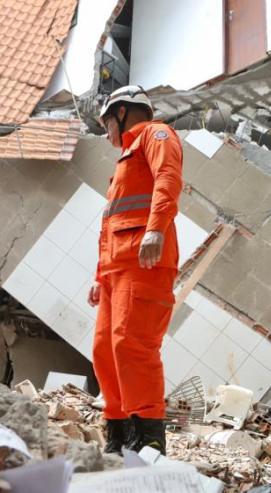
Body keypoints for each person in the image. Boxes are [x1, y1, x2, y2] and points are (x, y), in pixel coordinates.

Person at [87, 85, 183, 455]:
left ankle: (148, 440)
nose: (106, 132)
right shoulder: (126, 157)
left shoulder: (156, 135)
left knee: (133, 345)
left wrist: (156, 228)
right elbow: (111, 222)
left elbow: (168, 179)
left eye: (107, 122)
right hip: (117, 267)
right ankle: (118, 434)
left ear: (123, 112)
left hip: (146, 262)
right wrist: (99, 276)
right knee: (104, 350)